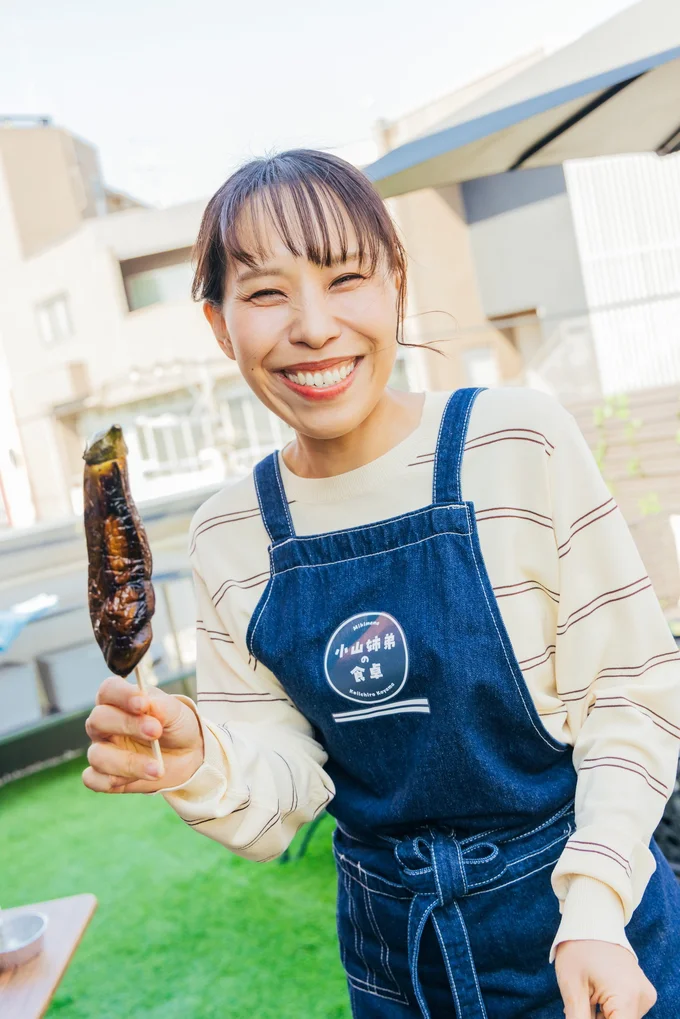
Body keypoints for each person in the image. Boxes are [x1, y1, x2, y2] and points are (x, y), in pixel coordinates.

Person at [82, 150, 680, 1019]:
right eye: (265, 293)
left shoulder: (517, 443)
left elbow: (632, 693)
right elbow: (285, 790)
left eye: (345, 277)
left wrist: (593, 907)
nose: (314, 327)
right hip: (398, 964)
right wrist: (202, 759)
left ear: (397, 283)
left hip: (597, 931)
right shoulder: (227, 533)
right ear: (218, 324)